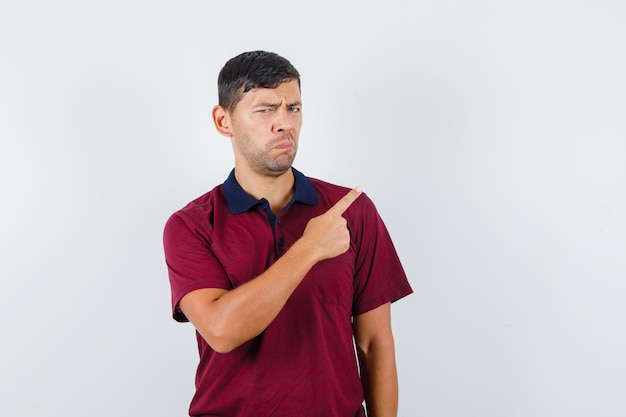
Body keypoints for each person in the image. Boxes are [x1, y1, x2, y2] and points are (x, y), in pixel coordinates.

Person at [163, 50, 413, 417]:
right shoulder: (191, 225)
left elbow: (375, 343)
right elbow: (222, 330)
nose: (284, 123)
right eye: (265, 109)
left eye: (293, 108)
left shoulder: (350, 210)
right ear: (223, 121)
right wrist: (309, 249)